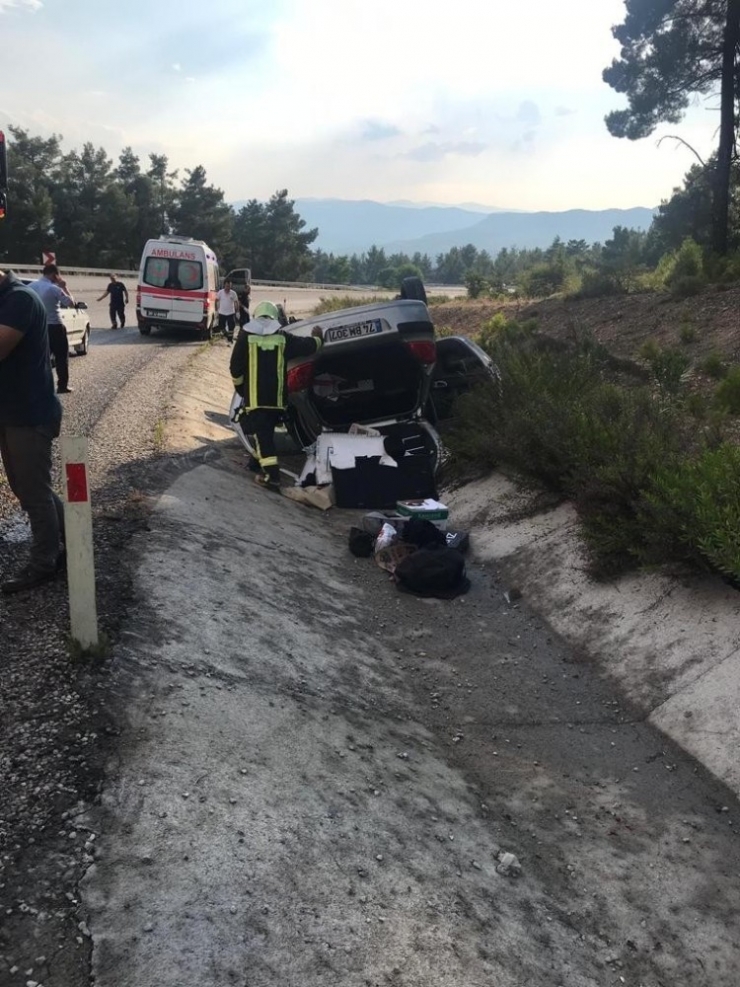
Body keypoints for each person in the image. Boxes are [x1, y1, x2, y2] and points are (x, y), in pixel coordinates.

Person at [0, 269, 65, 593]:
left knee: (33, 492)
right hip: (14, 414)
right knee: (30, 487)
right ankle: (72, 537)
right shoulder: (8, 298)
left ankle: (43, 563)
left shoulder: (19, 301)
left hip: (29, 416)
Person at [230, 300, 323, 491]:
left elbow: (235, 368)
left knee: (262, 434)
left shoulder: (245, 336)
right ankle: (256, 463)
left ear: (256, 316)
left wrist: (241, 390)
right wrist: (319, 339)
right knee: (265, 433)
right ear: (274, 318)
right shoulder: (282, 337)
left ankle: (272, 478)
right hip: (276, 400)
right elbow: (306, 345)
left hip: (255, 399)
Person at [27, 263, 75, 394]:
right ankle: (62, 385)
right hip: (55, 327)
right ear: (55, 275)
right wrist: (65, 287)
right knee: (61, 358)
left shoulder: (30, 287)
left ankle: (39, 386)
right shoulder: (54, 288)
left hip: (37, 328)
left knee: (41, 358)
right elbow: (71, 303)